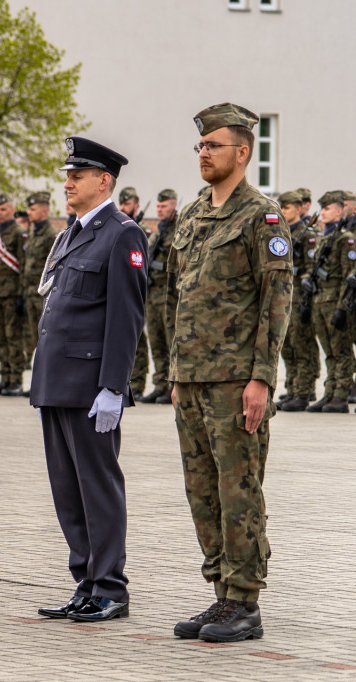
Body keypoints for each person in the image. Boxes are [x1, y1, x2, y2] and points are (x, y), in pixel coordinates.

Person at [167, 103, 293, 642]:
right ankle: (220, 592)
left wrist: (261, 377)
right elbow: (181, 296)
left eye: (213, 145)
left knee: (238, 488)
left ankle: (245, 600)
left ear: (242, 153)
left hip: (235, 381)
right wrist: (174, 373)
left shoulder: (261, 216)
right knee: (203, 492)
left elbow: (276, 301)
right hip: (192, 376)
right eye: (199, 145)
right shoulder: (193, 213)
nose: (203, 153)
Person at [31, 137, 147, 623]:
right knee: (68, 490)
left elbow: (126, 317)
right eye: (67, 174)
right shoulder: (71, 233)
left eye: (78, 175)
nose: (67, 181)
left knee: (97, 487)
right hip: (56, 380)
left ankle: (111, 588)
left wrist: (113, 387)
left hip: (90, 384)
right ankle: (85, 581)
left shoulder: (122, 234)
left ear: (104, 181)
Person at [302, 192, 354, 413]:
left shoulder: (346, 240)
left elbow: (348, 276)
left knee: (341, 351)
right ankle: (329, 392)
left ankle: (340, 397)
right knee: (329, 351)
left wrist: (342, 308)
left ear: (340, 211)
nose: (323, 212)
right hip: (320, 301)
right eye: (322, 209)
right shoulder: (324, 238)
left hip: (335, 302)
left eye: (328, 209)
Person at [276, 191, 320, 411]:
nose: (284, 212)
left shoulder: (307, 234)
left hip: (298, 297)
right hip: (283, 296)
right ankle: (292, 388)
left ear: (298, 208)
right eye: (282, 208)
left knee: (301, 344)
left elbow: (312, 268)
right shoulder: (282, 232)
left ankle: (303, 391)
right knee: (287, 346)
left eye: (288, 208)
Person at [0, 193, 27, 397]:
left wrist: (23, 293)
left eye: (4, 210)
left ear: (12, 210)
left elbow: (24, 265)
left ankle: (15, 380)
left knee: (13, 337)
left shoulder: (19, 233)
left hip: (13, 293)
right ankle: (4, 377)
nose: (0, 213)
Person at [139, 189, 179, 404]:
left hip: (168, 295)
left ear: (173, 205)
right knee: (156, 341)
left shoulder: (178, 230)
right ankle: (160, 384)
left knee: (170, 342)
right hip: (152, 294)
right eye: (158, 207)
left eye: (164, 206)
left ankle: (173, 385)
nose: (159, 210)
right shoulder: (157, 231)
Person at [21, 191, 58, 379]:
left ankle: (47, 380)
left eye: (33, 209)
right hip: (30, 295)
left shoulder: (51, 235)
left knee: (46, 342)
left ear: (44, 211)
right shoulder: (33, 233)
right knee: (33, 341)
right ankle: (38, 381)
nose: (29, 212)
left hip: (43, 297)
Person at [119, 187, 150, 400]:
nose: (123, 208)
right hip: (124, 288)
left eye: (127, 204)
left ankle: (139, 382)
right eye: (122, 204)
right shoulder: (119, 226)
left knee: (139, 337)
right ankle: (127, 380)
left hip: (142, 289)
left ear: (136, 206)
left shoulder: (143, 229)